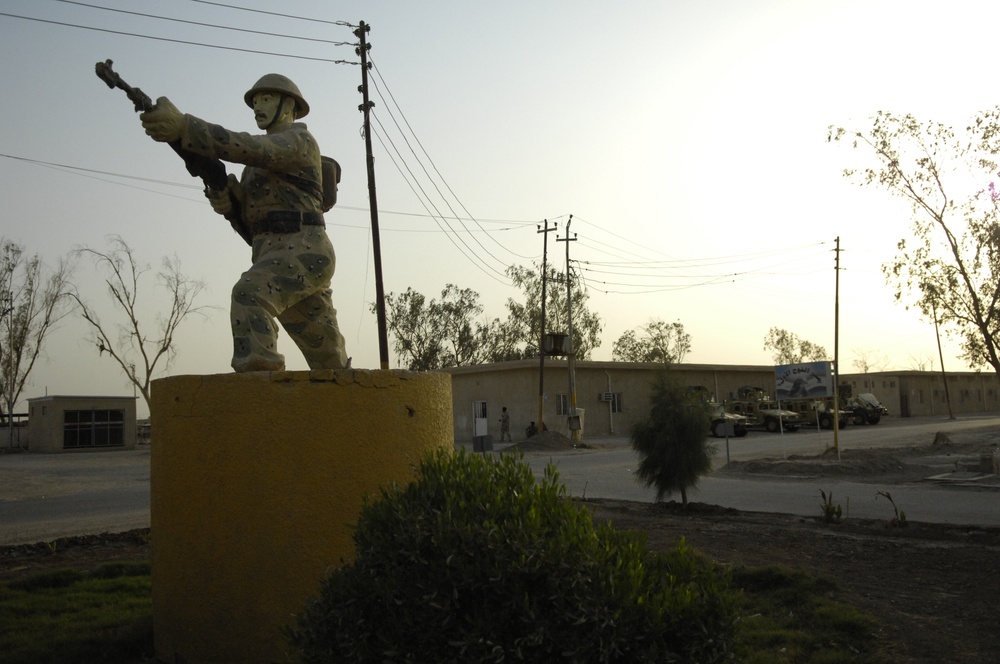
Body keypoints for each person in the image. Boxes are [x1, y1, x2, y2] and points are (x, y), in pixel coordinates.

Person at [139, 74, 348, 373]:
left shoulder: (299, 141)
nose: (258, 107)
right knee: (330, 361)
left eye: (267, 99)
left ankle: (260, 383)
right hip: (273, 253)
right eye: (255, 101)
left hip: (304, 249)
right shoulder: (253, 172)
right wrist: (229, 204)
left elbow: (249, 147)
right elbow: (251, 224)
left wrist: (185, 127)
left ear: (289, 104)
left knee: (249, 295)